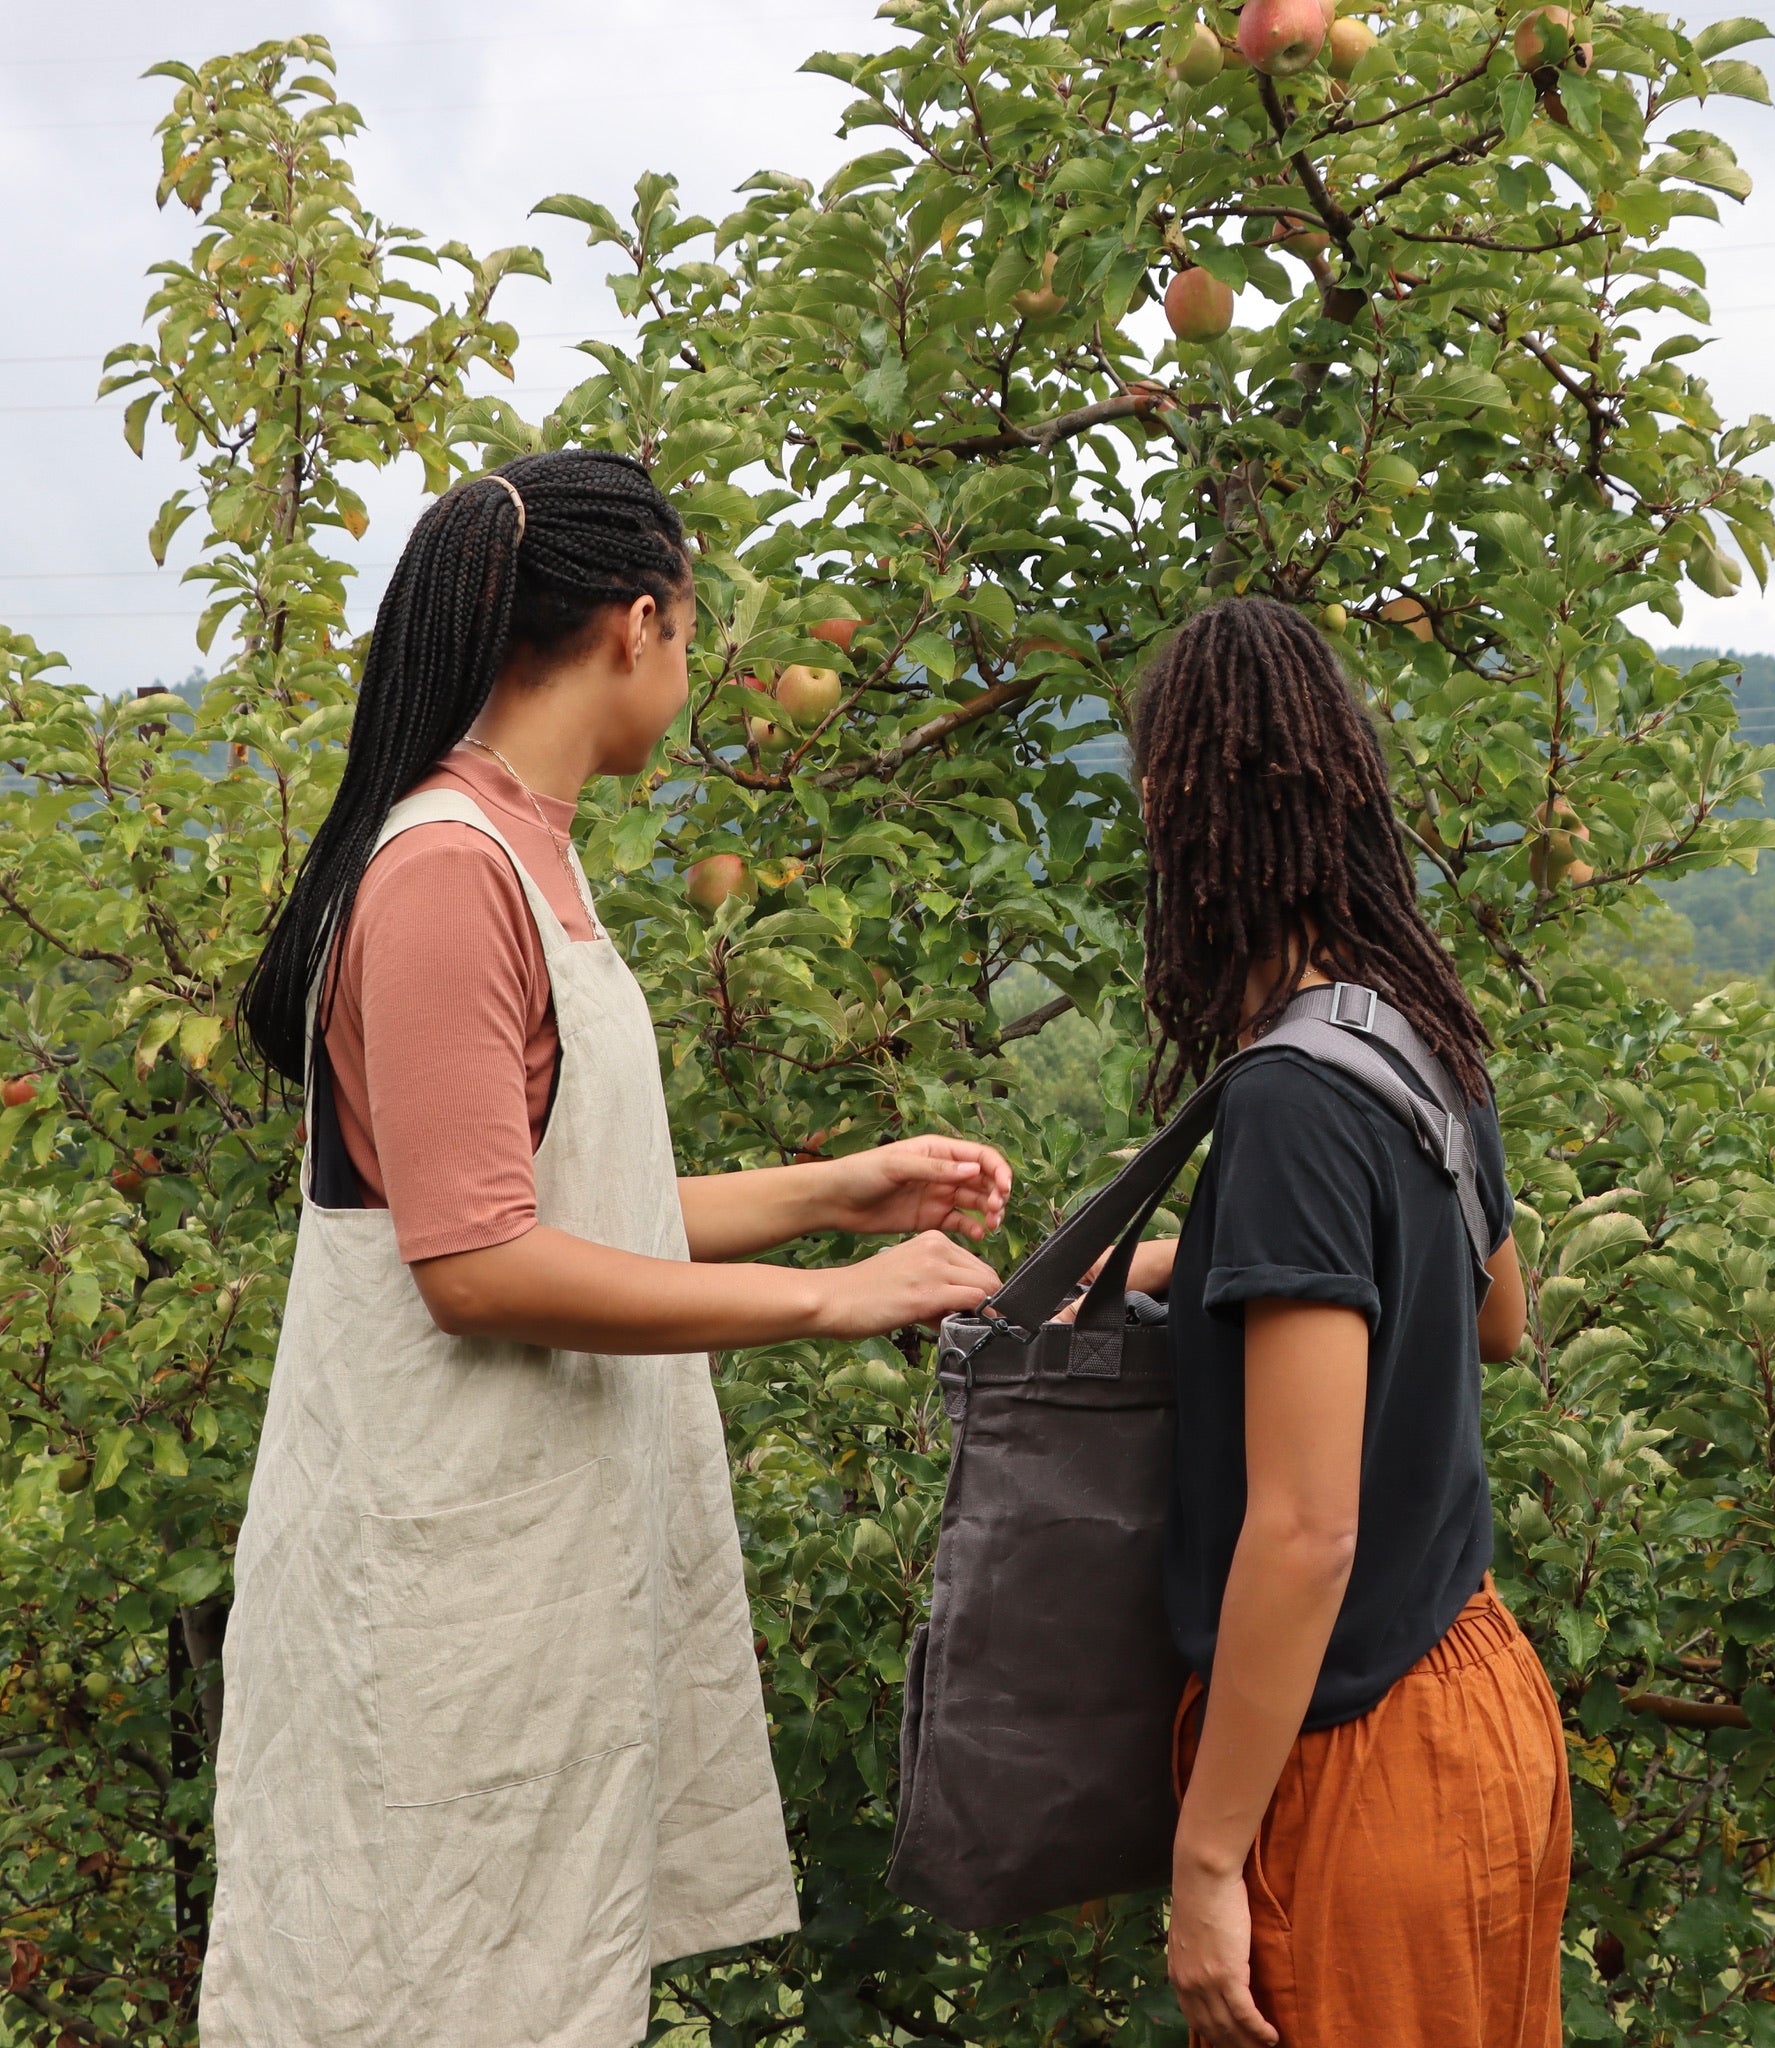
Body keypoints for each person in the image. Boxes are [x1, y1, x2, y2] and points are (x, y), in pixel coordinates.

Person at [203, 451, 1011, 2048]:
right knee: (423, 1986)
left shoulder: (533, 851)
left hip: (524, 1582)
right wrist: (823, 1303)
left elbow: (568, 1199)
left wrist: (831, 1188)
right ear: (637, 626)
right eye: (694, 629)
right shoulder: (448, 869)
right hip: (438, 1607)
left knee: (525, 1976)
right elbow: (480, 1265)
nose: (692, 663)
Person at [1120, 597, 1566, 2048]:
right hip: (1482, 1694)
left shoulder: (1287, 1101)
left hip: (1359, 1762)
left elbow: (1306, 1530)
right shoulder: (1415, 1031)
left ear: (1189, 817)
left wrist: (1204, 1861)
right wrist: (1184, 1274)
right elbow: (1490, 1315)